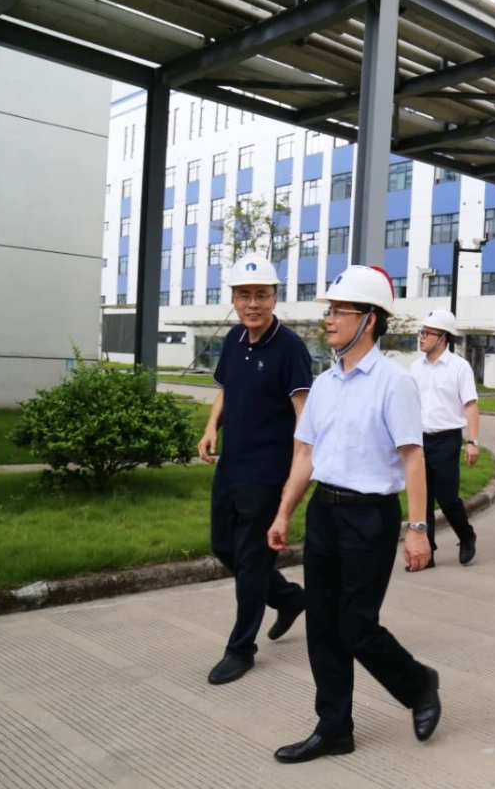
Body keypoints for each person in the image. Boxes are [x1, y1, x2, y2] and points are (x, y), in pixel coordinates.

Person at [267, 265, 441, 762]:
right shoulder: (324, 384)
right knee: (322, 626)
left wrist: (417, 529)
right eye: (329, 310)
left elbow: (413, 458)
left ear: (369, 319)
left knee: (356, 626)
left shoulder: (394, 383)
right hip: (325, 513)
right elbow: (306, 454)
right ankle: (334, 729)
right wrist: (284, 513)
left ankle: (418, 685)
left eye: (339, 311)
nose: (329, 319)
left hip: (370, 518)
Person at [198, 253, 312, 686]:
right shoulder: (234, 339)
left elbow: (304, 418)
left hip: (268, 474)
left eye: (261, 295)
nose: (252, 304)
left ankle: (240, 649)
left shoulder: (290, 348)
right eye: (244, 296)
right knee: (224, 547)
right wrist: (211, 427)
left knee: (250, 563)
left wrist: (295, 478)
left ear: (274, 298)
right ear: (233, 299)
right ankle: (289, 598)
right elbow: (227, 390)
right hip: (231, 465)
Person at [408, 309, 480, 568]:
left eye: (427, 333)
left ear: (443, 338)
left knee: (447, 498)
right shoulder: (415, 368)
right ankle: (427, 553)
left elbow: (470, 405)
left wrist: (472, 442)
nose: (421, 337)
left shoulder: (459, 367)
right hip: (419, 440)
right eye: (421, 332)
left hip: (447, 440)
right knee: (422, 500)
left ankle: (466, 535)